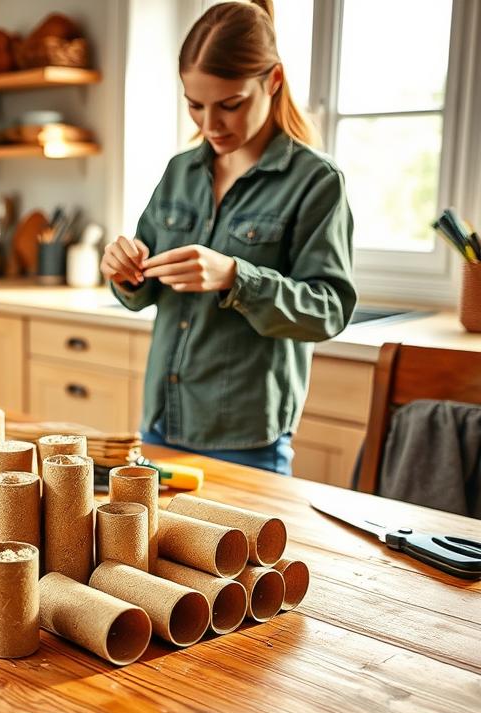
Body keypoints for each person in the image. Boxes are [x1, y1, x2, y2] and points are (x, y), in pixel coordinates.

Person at [101, 0, 357, 475]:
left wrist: (235, 277)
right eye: (195, 106)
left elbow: (330, 310)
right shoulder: (180, 172)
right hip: (160, 420)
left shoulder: (316, 182)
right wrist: (124, 271)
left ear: (273, 82)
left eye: (230, 105)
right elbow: (141, 292)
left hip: (246, 436)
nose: (209, 125)